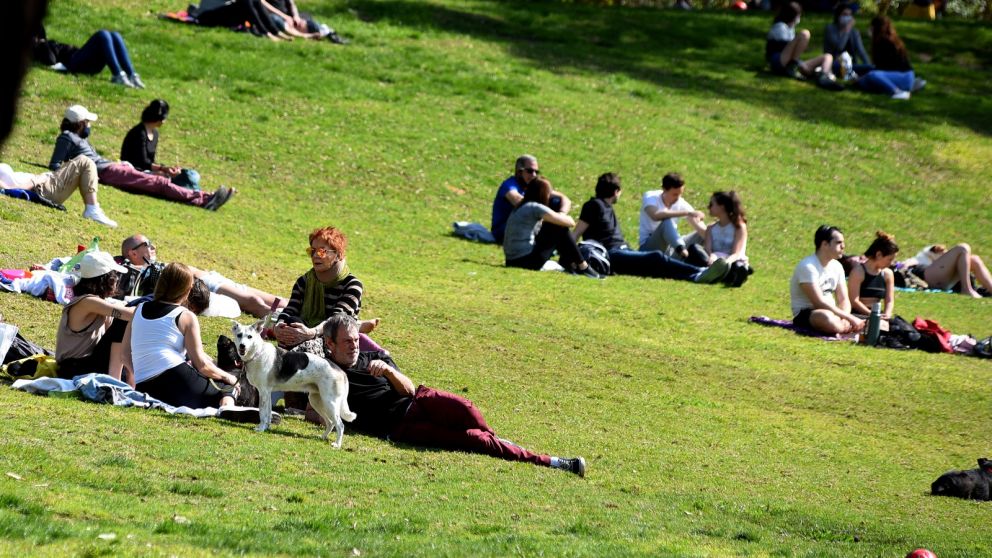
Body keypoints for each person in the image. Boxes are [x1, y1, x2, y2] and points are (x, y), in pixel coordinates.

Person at [321, 314, 587, 477]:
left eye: (356, 339)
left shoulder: (375, 356)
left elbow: (409, 389)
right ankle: (555, 463)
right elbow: (317, 409)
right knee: (475, 442)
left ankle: (498, 441)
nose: (354, 346)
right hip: (401, 426)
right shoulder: (327, 374)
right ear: (330, 344)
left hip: (419, 399)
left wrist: (389, 372)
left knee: (468, 410)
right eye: (347, 341)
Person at [49, 105, 235, 210]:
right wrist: (87, 175)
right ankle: (204, 199)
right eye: (87, 122)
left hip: (114, 168)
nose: (89, 126)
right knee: (159, 183)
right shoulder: (67, 137)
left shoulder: (78, 138)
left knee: (161, 181)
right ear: (80, 123)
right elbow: (55, 164)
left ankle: (204, 197)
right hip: (109, 172)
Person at [572, 173, 730, 284]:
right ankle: (698, 274)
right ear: (616, 191)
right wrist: (569, 254)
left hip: (623, 250)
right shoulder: (593, 205)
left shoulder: (606, 207)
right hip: (611, 254)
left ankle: (704, 271)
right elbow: (578, 232)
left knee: (654, 263)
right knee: (655, 258)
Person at [122, 263, 239, 407]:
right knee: (227, 387)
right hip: (176, 377)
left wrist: (142, 372)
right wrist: (228, 377)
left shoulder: (138, 310)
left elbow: (125, 354)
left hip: (145, 385)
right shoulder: (185, 316)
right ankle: (227, 408)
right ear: (187, 289)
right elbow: (201, 364)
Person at [118, 234, 284, 318]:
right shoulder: (136, 273)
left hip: (214, 277)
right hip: (208, 285)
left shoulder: (153, 266)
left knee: (278, 300)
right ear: (133, 253)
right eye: (146, 244)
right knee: (254, 303)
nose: (152, 246)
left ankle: (301, 314)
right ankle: (282, 325)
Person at [273, 226, 379, 354]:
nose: (316, 256)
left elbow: (336, 320)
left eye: (322, 251)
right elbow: (291, 309)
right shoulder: (304, 281)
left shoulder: (352, 285)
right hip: (303, 333)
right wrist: (279, 325)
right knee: (290, 322)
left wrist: (312, 333)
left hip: (333, 339)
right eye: (312, 251)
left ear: (338, 255)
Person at [55, 251, 134, 380]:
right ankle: (118, 381)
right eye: (115, 275)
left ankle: (125, 379)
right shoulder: (87, 302)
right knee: (122, 322)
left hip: (85, 365)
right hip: (74, 369)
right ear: (107, 279)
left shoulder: (100, 304)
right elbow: (127, 315)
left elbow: (113, 340)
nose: (118, 279)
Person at [503, 177, 601, 279]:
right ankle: (582, 266)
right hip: (526, 261)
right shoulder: (535, 207)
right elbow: (570, 223)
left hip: (511, 261)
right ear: (543, 194)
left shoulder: (521, 205)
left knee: (555, 226)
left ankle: (573, 264)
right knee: (559, 227)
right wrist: (562, 215)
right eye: (548, 193)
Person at [0, 155, 117, 226]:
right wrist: (37, 179)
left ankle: (93, 208)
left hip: (43, 184)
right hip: (41, 188)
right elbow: (12, 188)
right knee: (84, 161)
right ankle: (92, 210)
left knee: (84, 163)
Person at [790, 225, 865, 335]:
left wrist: (844, 317)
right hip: (809, 314)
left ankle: (843, 326)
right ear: (825, 244)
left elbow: (843, 299)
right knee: (826, 317)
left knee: (875, 322)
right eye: (838, 243)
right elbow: (819, 302)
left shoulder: (837, 266)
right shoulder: (808, 266)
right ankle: (846, 328)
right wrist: (849, 318)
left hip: (834, 313)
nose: (843, 246)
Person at [490, 155, 571, 245]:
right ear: (519, 172)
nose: (534, 175)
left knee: (555, 202)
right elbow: (523, 204)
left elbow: (565, 199)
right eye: (530, 171)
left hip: (525, 227)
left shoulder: (533, 186)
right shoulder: (509, 186)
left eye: (536, 172)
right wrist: (554, 218)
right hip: (504, 230)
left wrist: (562, 213)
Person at [32, 25, 144, 88]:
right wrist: (41, 43)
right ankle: (118, 75)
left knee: (115, 35)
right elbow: (51, 60)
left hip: (84, 61)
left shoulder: (49, 43)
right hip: (73, 64)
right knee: (102, 35)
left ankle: (132, 75)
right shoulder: (39, 49)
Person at [766, 2, 841, 90]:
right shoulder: (780, 27)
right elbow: (786, 49)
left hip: (790, 62)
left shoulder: (790, 28)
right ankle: (795, 67)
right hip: (779, 61)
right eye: (798, 15)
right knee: (805, 34)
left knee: (828, 57)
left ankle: (823, 76)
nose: (799, 18)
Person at [639, 172, 708, 263]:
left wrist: (710, 233)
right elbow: (655, 215)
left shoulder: (680, 202)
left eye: (680, 194)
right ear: (664, 189)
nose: (678, 198)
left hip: (671, 249)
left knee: (704, 233)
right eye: (675, 194)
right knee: (667, 222)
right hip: (650, 249)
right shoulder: (651, 196)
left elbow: (698, 225)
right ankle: (683, 252)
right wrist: (687, 213)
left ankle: (712, 262)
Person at [856, 16, 924, 100]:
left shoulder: (886, 43)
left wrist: (863, 76)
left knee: (871, 75)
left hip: (904, 76)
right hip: (898, 74)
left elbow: (882, 67)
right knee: (864, 80)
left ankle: (898, 92)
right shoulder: (884, 40)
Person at [903, 243, 992, 298]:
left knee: (974, 259)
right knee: (963, 248)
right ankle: (966, 289)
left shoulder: (941, 264)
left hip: (943, 281)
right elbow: (908, 263)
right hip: (926, 276)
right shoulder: (921, 257)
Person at [120, 100, 181, 178]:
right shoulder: (139, 133)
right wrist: (163, 169)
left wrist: (166, 168)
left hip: (145, 169)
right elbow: (142, 162)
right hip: (131, 169)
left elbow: (150, 161)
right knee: (163, 176)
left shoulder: (155, 133)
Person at [847, 231, 898, 319]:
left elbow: (889, 300)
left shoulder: (887, 274)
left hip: (877, 315)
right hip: (858, 315)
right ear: (878, 255)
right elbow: (854, 301)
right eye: (889, 259)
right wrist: (872, 315)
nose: (891, 263)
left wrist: (887, 314)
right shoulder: (858, 272)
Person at [822, 3, 872, 79]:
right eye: (844, 14)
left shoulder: (854, 32)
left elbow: (861, 51)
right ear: (838, 16)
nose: (847, 17)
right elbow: (839, 46)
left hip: (852, 65)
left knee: (868, 68)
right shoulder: (830, 29)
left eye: (849, 15)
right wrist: (847, 30)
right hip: (834, 64)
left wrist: (869, 65)